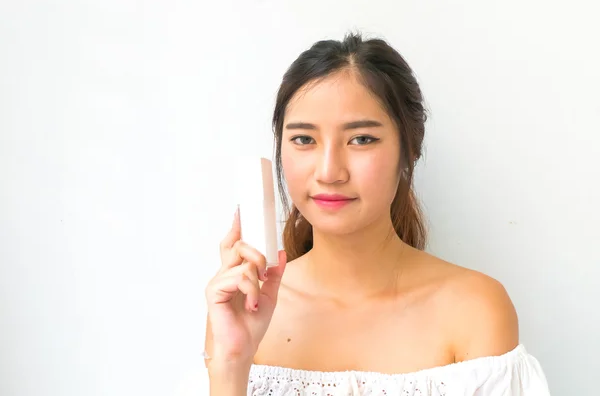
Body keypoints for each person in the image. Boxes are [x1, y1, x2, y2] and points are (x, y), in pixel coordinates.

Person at [203, 32, 551, 395]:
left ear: (409, 150)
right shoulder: (243, 307)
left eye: (361, 139)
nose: (329, 171)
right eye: (304, 139)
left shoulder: (474, 310)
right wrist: (230, 365)